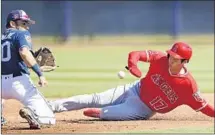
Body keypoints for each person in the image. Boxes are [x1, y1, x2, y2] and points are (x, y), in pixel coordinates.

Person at [48, 42, 214, 120]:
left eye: (176, 58)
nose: (171, 59)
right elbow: (135, 53)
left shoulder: (188, 86)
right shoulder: (160, 58)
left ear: (185, 61)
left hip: (143, 109)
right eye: (171, 55)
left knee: (105, 113)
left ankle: (103, 113)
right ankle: (49, 107)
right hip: (134, 89)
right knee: (93, 98)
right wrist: (133, 65)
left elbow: (204, 107)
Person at [1, 10, 55, 129]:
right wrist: (39, 73)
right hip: (19, 83)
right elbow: (24, 53)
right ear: (12, 23)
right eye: (24, 23)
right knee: (49, 119)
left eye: (27, 24)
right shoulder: (20, 34)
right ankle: (34, 115)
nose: (27, 27)